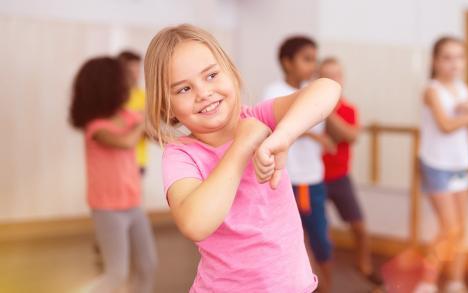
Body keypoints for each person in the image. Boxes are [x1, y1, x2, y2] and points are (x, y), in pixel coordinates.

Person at [144, 24, 340, 292]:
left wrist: (283, 135)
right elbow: (195, 223)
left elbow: (327, 89)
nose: (203, 92)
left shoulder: (259, 117)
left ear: (231, 74)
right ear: (168, 107)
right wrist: (241, 146)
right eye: (183, 89)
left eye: (211, 75)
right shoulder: (181, 154)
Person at [413, 36, 468, 293]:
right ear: (435, 61)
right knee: (449, 229)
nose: (454, 63)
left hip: (461, 164)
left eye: (459, 57)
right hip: (436, 165)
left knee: (460, 229)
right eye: (447, 57)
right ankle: (427, 282)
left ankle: (455, 282)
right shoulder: (431, 90)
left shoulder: (465, 89)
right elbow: (446, 125)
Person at [69, 57, 157, 293]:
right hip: (107, 210)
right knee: (116, 274)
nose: (129, 82)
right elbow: (126, 141)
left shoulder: (126, 115)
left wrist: (150, 120)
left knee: (147, 265)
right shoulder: (95, 127)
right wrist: (142, 122)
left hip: (133, 203)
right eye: (123, 78)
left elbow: (150, 131)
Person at [262, 36, 336, 292]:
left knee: (320, 242)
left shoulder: (314, 91)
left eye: (314, 59)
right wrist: (315, 135)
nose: (313, 65)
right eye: (306, 59)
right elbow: (284, 126)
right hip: (289, 181)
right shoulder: (274, 93)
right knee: (295, 244)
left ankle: (327, 286)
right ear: (287, 62)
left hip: (312, 178)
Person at [319, 57, 383, 286]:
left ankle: (363, 266)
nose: (332, 79)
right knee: (319, 234)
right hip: (315, 180)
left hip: (340, 178)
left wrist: (326, 111)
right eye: (326, 75)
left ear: (342, 78)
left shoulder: (348, 109)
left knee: (360, 228)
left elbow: (350, 136)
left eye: (336, 75)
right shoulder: (309, 107)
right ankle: (317, 277)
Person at [118, 50, 148, 174]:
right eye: (130, 71)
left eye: (137, 70)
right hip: (117, 160)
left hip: (138, 161)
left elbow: (150, 130)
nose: (135, 75)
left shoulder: (145, 97)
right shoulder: (114, 98)